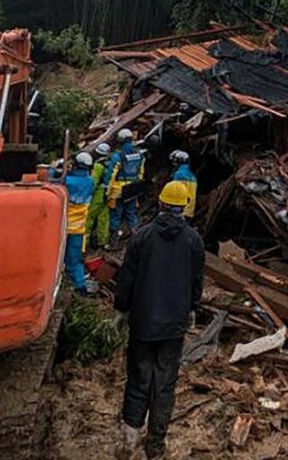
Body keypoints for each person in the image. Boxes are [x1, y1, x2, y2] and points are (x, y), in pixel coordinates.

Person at [115, 181, 203, 459]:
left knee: (138, 378)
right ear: (184, 207)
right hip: (173, 325)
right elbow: (196, 282)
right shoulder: (194, 241)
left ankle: (129, 440)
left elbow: (126, 278)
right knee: (165, 383)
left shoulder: (142, 237)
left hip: (143, 321)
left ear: (162, 204)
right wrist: (191, 308)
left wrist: (121, 309)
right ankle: (155, 444)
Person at [64, 152, 98, 296]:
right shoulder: (90, 182)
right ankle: (80, 285)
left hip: (62, 226)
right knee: (74, 259)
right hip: (78, 227)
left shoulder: (66, 180)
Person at [106, 128, 146, 241]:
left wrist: (107, 192)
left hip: (118, 189)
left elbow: (111, 175)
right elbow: (141, 173)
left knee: (115, 215)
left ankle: (114, 241)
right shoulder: (139, 154)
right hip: (132, 188)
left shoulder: (117, 156)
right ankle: (137, 238)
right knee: (131, 213)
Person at [86, 142, 112, 249]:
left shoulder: (98, 165)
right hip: (109, 192)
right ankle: (103, 241)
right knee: (104, 218)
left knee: (89, 217)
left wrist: (88, 193)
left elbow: (94, 182)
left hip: (99, 193)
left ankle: (85, 241)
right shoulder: (112, 162)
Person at [169, 150, 198, 219]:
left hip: (179, 211)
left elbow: (174, 192)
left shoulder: (178, 175)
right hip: (189, 211)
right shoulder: (193, 176)